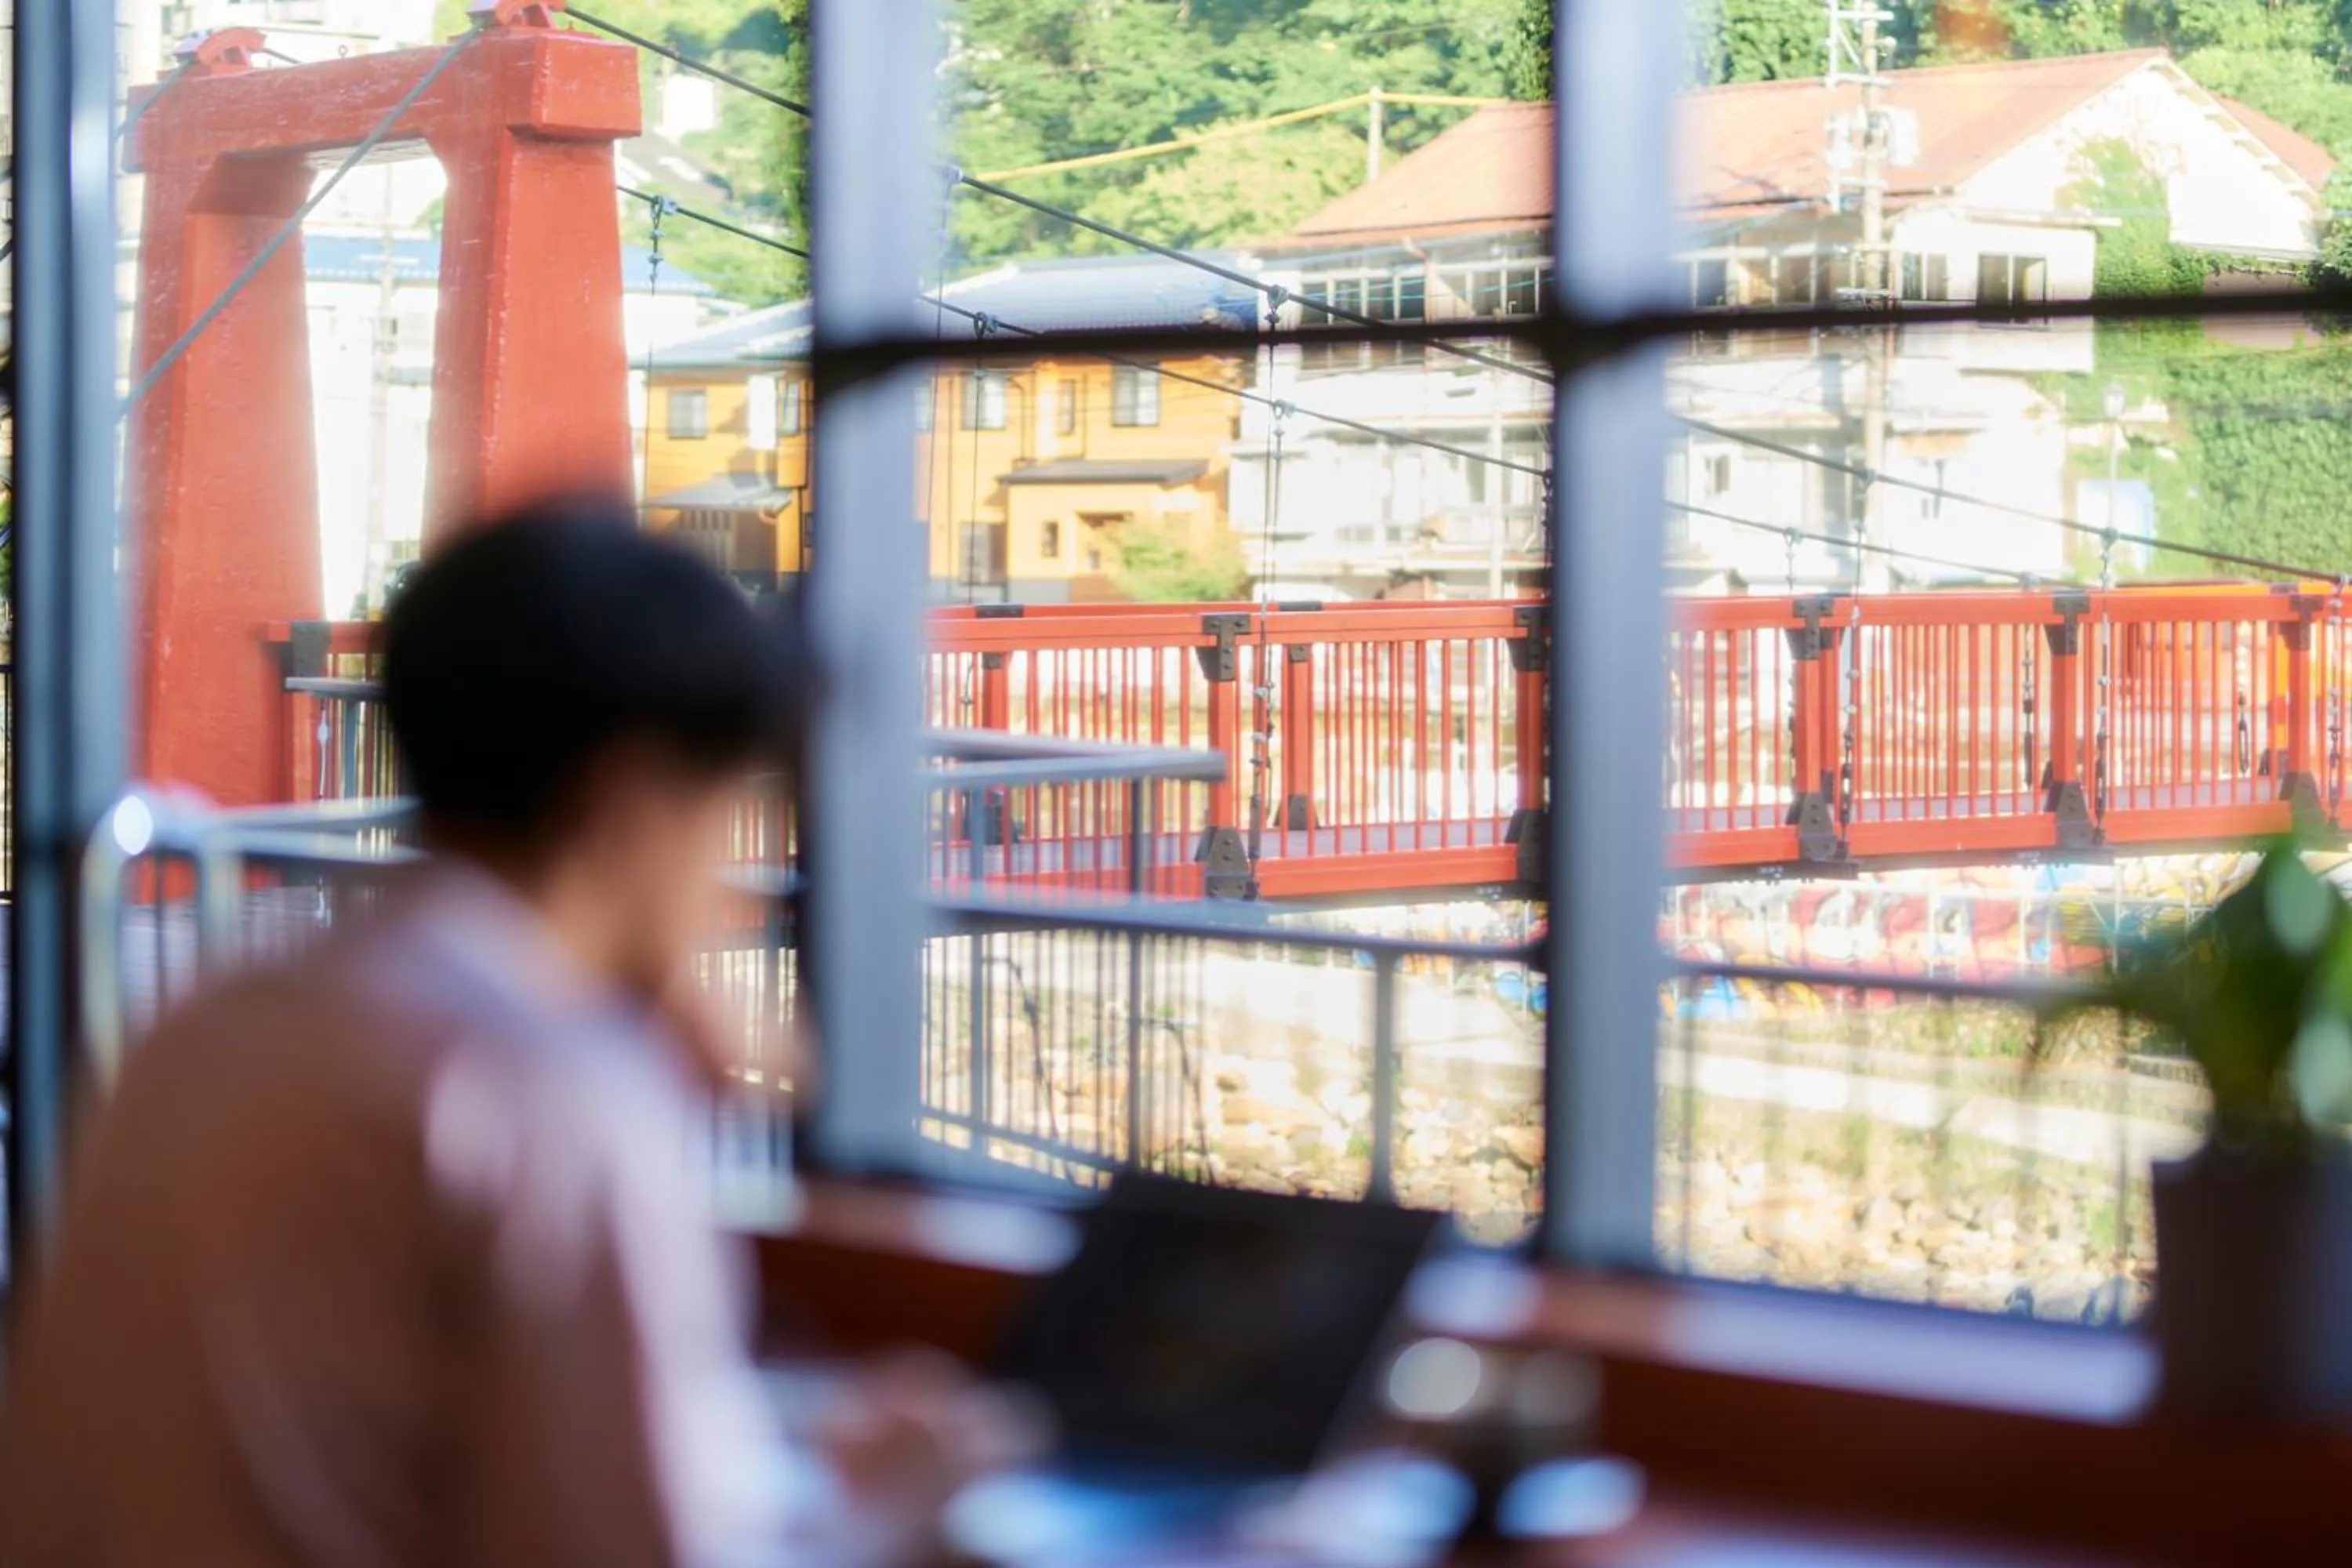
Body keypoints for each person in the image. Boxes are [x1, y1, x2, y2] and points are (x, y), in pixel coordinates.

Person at [0, 498, 1024, 1566]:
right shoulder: (545, 1082)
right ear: (630, 799)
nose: (724, 865)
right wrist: (896, 1510)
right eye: (722, 808)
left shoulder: (221, 1017)